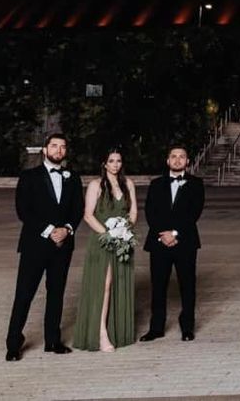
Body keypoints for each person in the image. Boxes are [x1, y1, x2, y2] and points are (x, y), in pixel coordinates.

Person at [5, 133, 84, 361]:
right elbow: (24, 211)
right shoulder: (29, 177)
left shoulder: (73, 177)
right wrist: (50, 230)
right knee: (24, 294)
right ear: (45, 150)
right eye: (54, 146)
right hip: (35, 245)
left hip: (63, 246)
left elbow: (77, 209)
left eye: (62, 147)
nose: (59, 150)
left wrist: (67, 229)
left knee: (56, 293)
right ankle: (13, 343)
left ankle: (53, 340)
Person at [72, 148, 138, 351]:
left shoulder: (128, 184)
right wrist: (109, 234)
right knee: (105, 285)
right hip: (102, 241)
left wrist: (125, 230)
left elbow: (133, 211)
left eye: (119, 160)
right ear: (104, 163)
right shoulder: (96, 185)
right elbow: (88, 215)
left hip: (123, 242)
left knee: (119, 283)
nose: (115, 164)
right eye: (111, 161)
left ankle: (119, 331)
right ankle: (100, 333)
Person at [139, 146, 205, 342]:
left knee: (188, 285)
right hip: (159, 242)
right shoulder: (156, 184)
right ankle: (156, 328)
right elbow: (150, 212)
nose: (177, 160)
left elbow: (194, 213)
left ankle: (187, 327)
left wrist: (175, 233)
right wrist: (164, 234)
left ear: (188, 161)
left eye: (181, 157)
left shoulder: (196, 184)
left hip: (185, 242)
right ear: (167, 161)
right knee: (158, 286)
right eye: (173, 157)